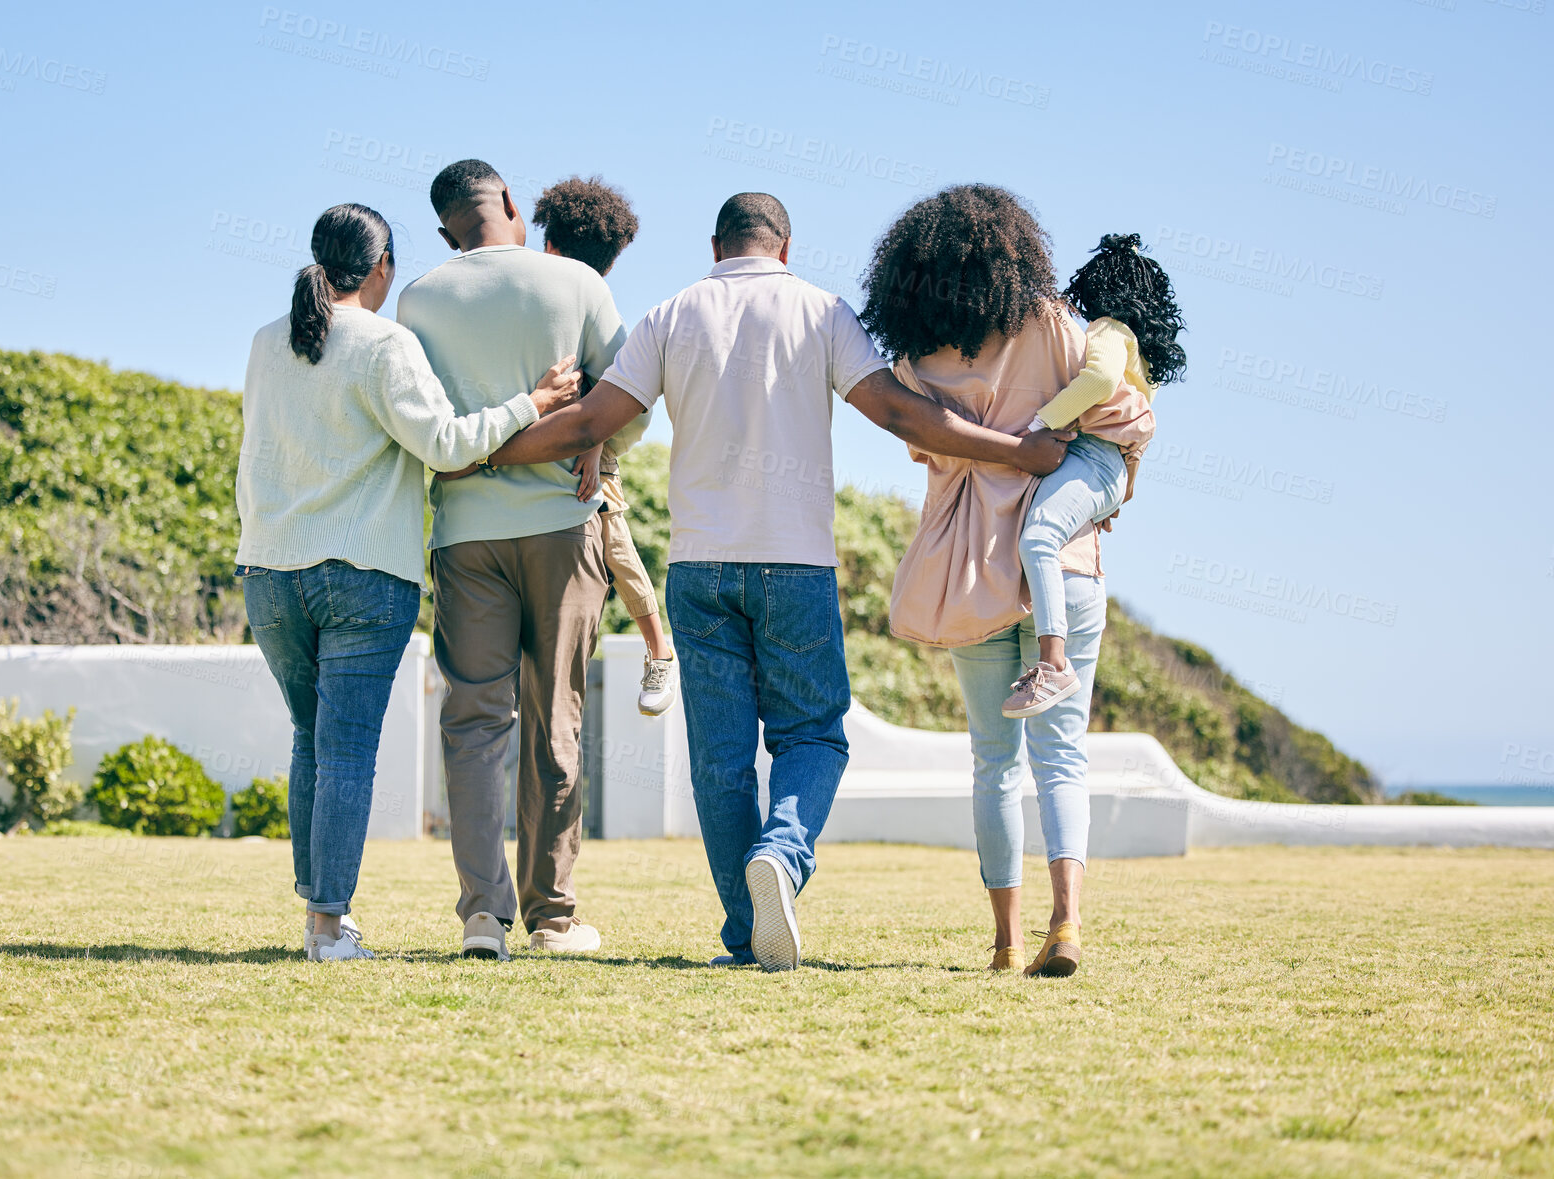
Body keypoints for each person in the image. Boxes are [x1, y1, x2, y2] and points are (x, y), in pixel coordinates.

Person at [465, 192, 1075, 971]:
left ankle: (743, 936)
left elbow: (592, 422)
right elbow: (900, 415)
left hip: (698, 564)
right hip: (795, 563)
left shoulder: (671, 314)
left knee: (719, 760)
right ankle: (782, 857)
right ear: (784, 248)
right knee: (813, 734)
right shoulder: (819, 310)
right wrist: (1014, 451)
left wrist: (488, 453)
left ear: (716, 246)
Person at [234, 202, 581, 961]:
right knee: (347, 748)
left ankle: (319, 908)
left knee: (310, 738)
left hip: (268, 571)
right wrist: (538, 402)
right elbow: (447, 445)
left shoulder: (267, 341)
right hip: (360, 577)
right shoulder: (387, 343)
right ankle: (328, 925)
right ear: (382, 265)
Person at [863, 185, 1156, 978]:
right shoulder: (1059, 325)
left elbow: (929, 452)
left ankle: (1005, 941)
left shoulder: (916, 363)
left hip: (972, 571)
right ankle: (1068, 925)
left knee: (994, 763)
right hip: (1066, 563)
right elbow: (1124, 417)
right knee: (1063, 758)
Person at [396, 160, 647, 961]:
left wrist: (482, 455)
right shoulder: (574, 281)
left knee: (473, 721)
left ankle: (481, 917)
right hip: (562, 525)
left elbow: (428, 434)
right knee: (556, 719)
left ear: (445, 232)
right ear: (510, 202)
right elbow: (632, 393)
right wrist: (593, 439)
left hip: (463, 535)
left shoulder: (418, 298)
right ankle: (553, 916)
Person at [1003, 233, 1186, 719]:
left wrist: (1043, 421)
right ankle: (1052, 660)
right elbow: (1139, 435)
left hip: (1092, 457)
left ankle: (1053, 663)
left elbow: (1100, 382)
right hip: (1110, 470)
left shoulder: (1108, 327)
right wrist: (1121, 495)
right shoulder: (1141, 353)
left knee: (1038, 539)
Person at [531, 175, 677, 716]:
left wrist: (594, 442)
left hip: (590, 445)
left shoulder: (588, 300)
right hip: (557, 439)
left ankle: (660, 649)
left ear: (548, 243)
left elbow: (621, 382)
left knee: (614, 546)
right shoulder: (551, 294)